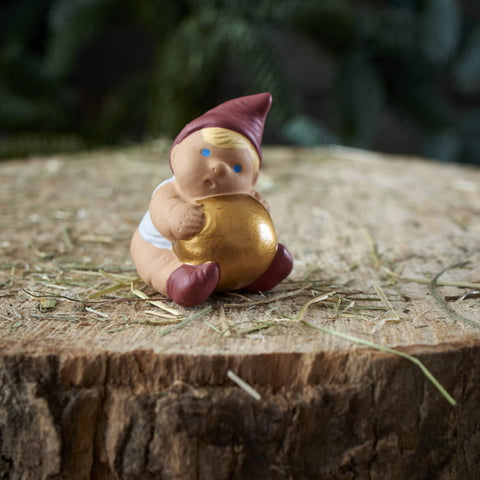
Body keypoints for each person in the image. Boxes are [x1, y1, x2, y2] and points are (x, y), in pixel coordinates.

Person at [130, 93, 293, 306]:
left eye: (237, 167)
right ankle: (179, 281)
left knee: (251, 257)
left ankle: (258, 271)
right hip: (161, 247)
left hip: (228, 255)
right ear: (175, 154)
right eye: (206, 152)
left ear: (252, 179)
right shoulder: (168, 191)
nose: (219, 167)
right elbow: (163, 214)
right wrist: (176, 216)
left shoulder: (246, 196)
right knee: (157, 263)